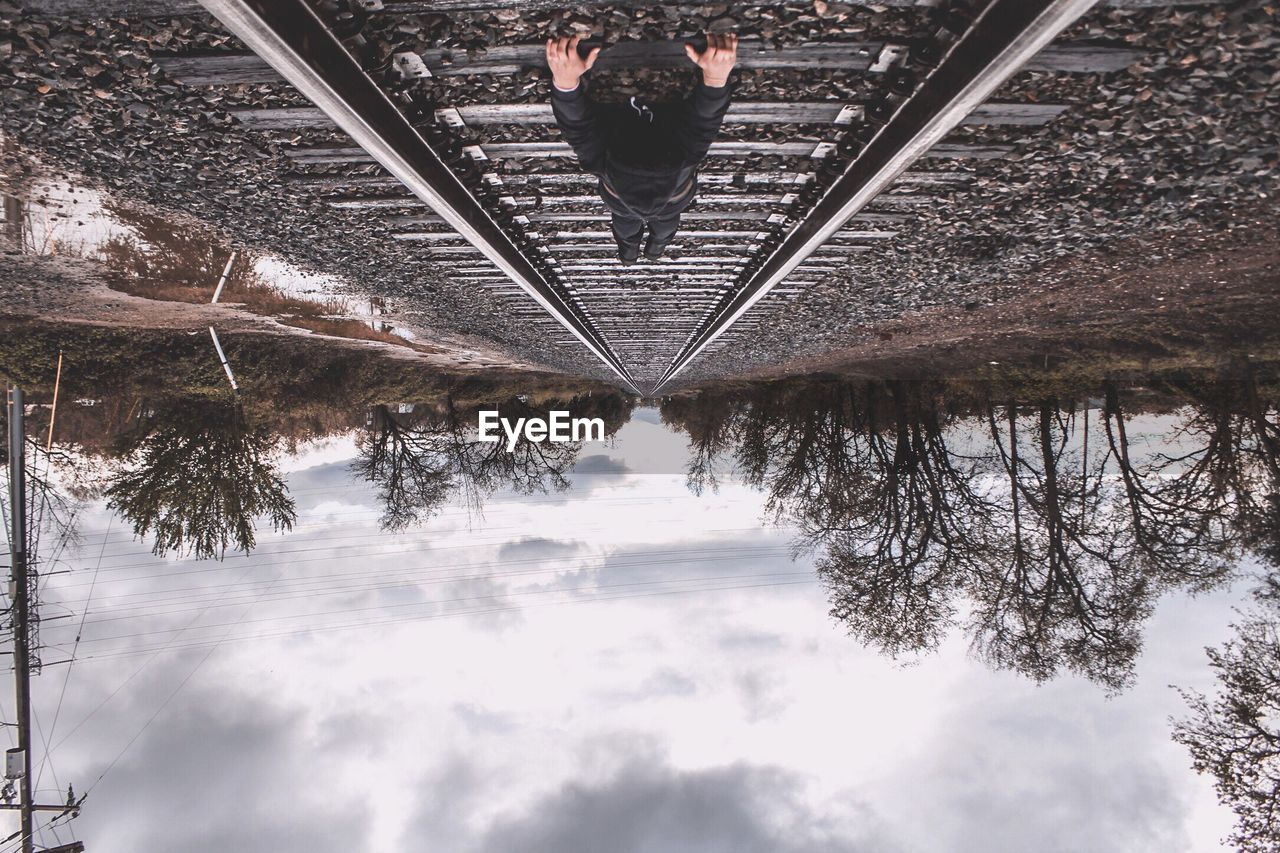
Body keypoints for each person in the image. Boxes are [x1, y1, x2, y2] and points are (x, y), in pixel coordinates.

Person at [546, 33, 739, 264]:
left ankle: (629, 253)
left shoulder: (686, 155)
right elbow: (705, 120)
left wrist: (565, 83)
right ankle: (656, 249)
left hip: (628, 203)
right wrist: (716, 78)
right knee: (664, 225)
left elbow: (704, 123)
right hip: (669, 201)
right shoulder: (606, 159)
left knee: (627, 226)